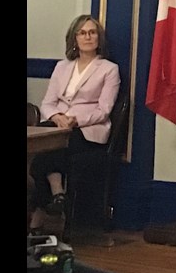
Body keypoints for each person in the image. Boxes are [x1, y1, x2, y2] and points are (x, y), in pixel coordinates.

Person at [29, 15, 120, 233]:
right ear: (74, 38)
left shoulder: (109, 69)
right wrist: (58, 117)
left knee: (46, 153)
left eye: (92, 32)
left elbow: (103, 110)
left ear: (99, 38)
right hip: (58, 125)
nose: (88, 37)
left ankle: (42, 211)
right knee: (42, 146)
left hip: (87, 131)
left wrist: (75, 120)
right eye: (83, 32)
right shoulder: (62, 67)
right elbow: (48, 103)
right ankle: (57, 195)